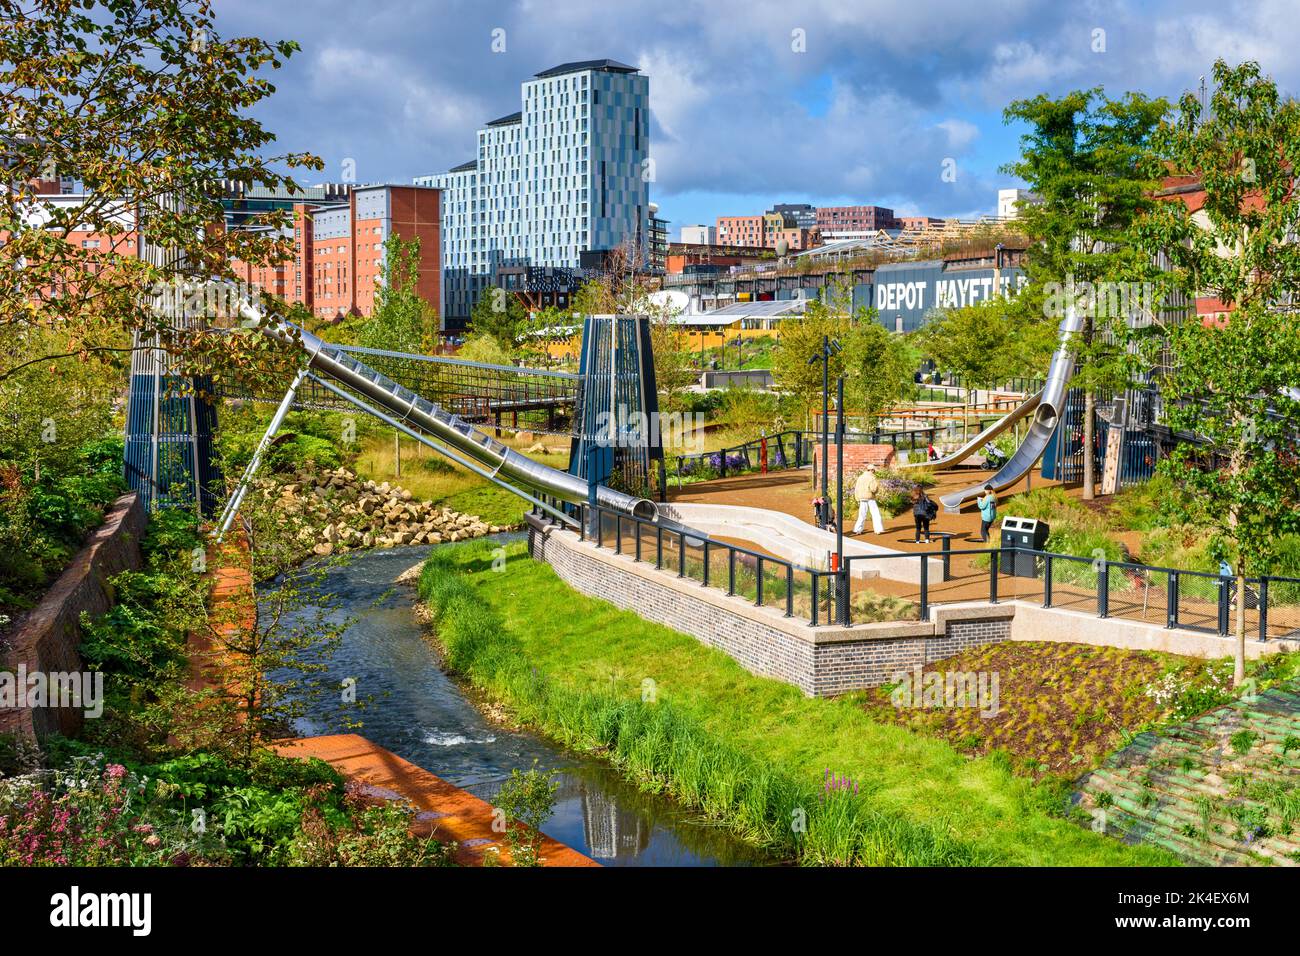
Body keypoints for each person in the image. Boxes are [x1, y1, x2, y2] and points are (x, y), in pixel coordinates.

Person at [852, 464, 884, 535]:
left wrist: (857, 497)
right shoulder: (872, 477)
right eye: (874, 470)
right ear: (872, 470)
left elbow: (856, 488)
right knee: (875, 513)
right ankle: (878, 529)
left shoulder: (860, 477)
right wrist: (876, 491)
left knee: (862, 514)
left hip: (861, 497)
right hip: (870, 497)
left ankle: (858, 529)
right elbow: (873, 489)